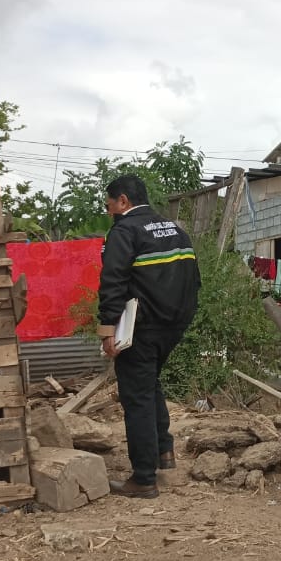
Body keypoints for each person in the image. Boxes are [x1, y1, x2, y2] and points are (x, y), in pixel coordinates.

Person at [97, 174, 201, 498]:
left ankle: (143, 478)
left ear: (123, 201)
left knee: (136, 396)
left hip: (141, 328)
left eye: (109, 205)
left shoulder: (124, 231)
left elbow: (113, 280)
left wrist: (107, 328)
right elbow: (194, 279)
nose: (109, 212)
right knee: (148, 382)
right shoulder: (175, 230)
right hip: (174, 325)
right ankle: (163, 451)